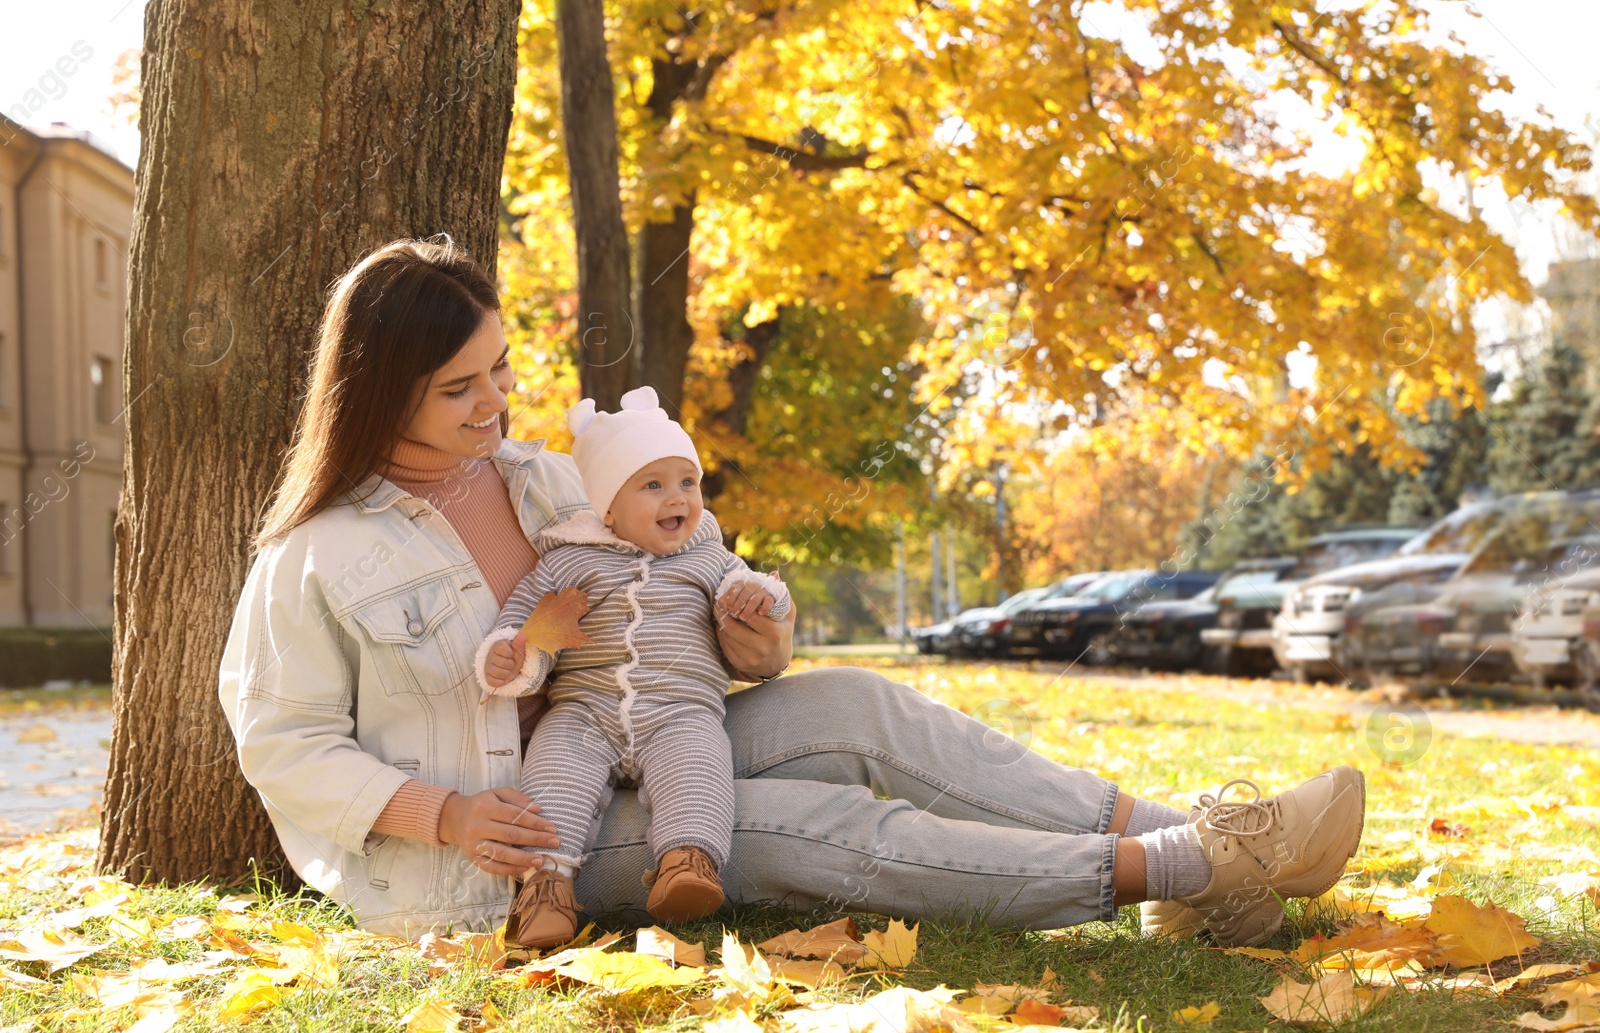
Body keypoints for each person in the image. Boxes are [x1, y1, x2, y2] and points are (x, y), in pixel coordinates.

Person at [219, 237, 1367, 948]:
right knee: (807, 829)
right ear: (378, 394)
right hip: (514, 846)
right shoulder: (317, 554)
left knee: (862, 705)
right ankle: (1192, 868)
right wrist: (448, 812)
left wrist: (748, 636)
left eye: (504, 368)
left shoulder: (550, 482)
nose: (496, 405)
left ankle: (1201, 834)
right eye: (458, 388)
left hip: (659, 727)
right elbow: (282, 739)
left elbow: (695, 594)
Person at [474, 385, 791, 947]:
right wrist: (510, 655)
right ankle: (547, 888)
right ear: (609, 508)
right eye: (654, 485)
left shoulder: (711, 559)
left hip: (680, 710)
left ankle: (686, 863)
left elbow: (760, 591)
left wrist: (763, 599)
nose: (678, 498)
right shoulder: (570, 560)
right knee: (553, 779)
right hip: (582, 712)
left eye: (687, 482)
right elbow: (526, 618)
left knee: (697, 769)